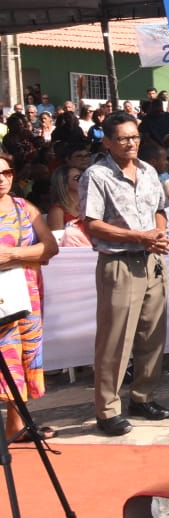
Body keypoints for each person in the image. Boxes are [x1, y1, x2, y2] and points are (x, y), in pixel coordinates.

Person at [79, 112, 169, 436]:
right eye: (123, 138)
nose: (131, 143)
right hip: (118, 263)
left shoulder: (148, 171)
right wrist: (139, 237)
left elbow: (160, 210)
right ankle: (107, 410)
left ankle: (142, 397)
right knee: (115, 339)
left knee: (153, 333)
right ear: (107, 142)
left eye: (134, 137)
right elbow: (91, 223)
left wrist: (157, 233)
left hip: (151, 260)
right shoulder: (96, 175)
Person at [0, 153, 59, 442]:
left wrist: (12, 255)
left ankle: (15, 425)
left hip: (26, 294)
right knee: (4, 354)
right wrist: (28, 256)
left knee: (23, 354)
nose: (2, 178)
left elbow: (49, 247)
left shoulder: (25, 208)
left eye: (7, 172)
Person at [47, 164, 83, 231]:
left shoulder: (88, 203)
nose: (83, 180)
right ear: (64, 184)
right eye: (77, 178)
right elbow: (58, 239)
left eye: (83, 176)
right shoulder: (57, 211)